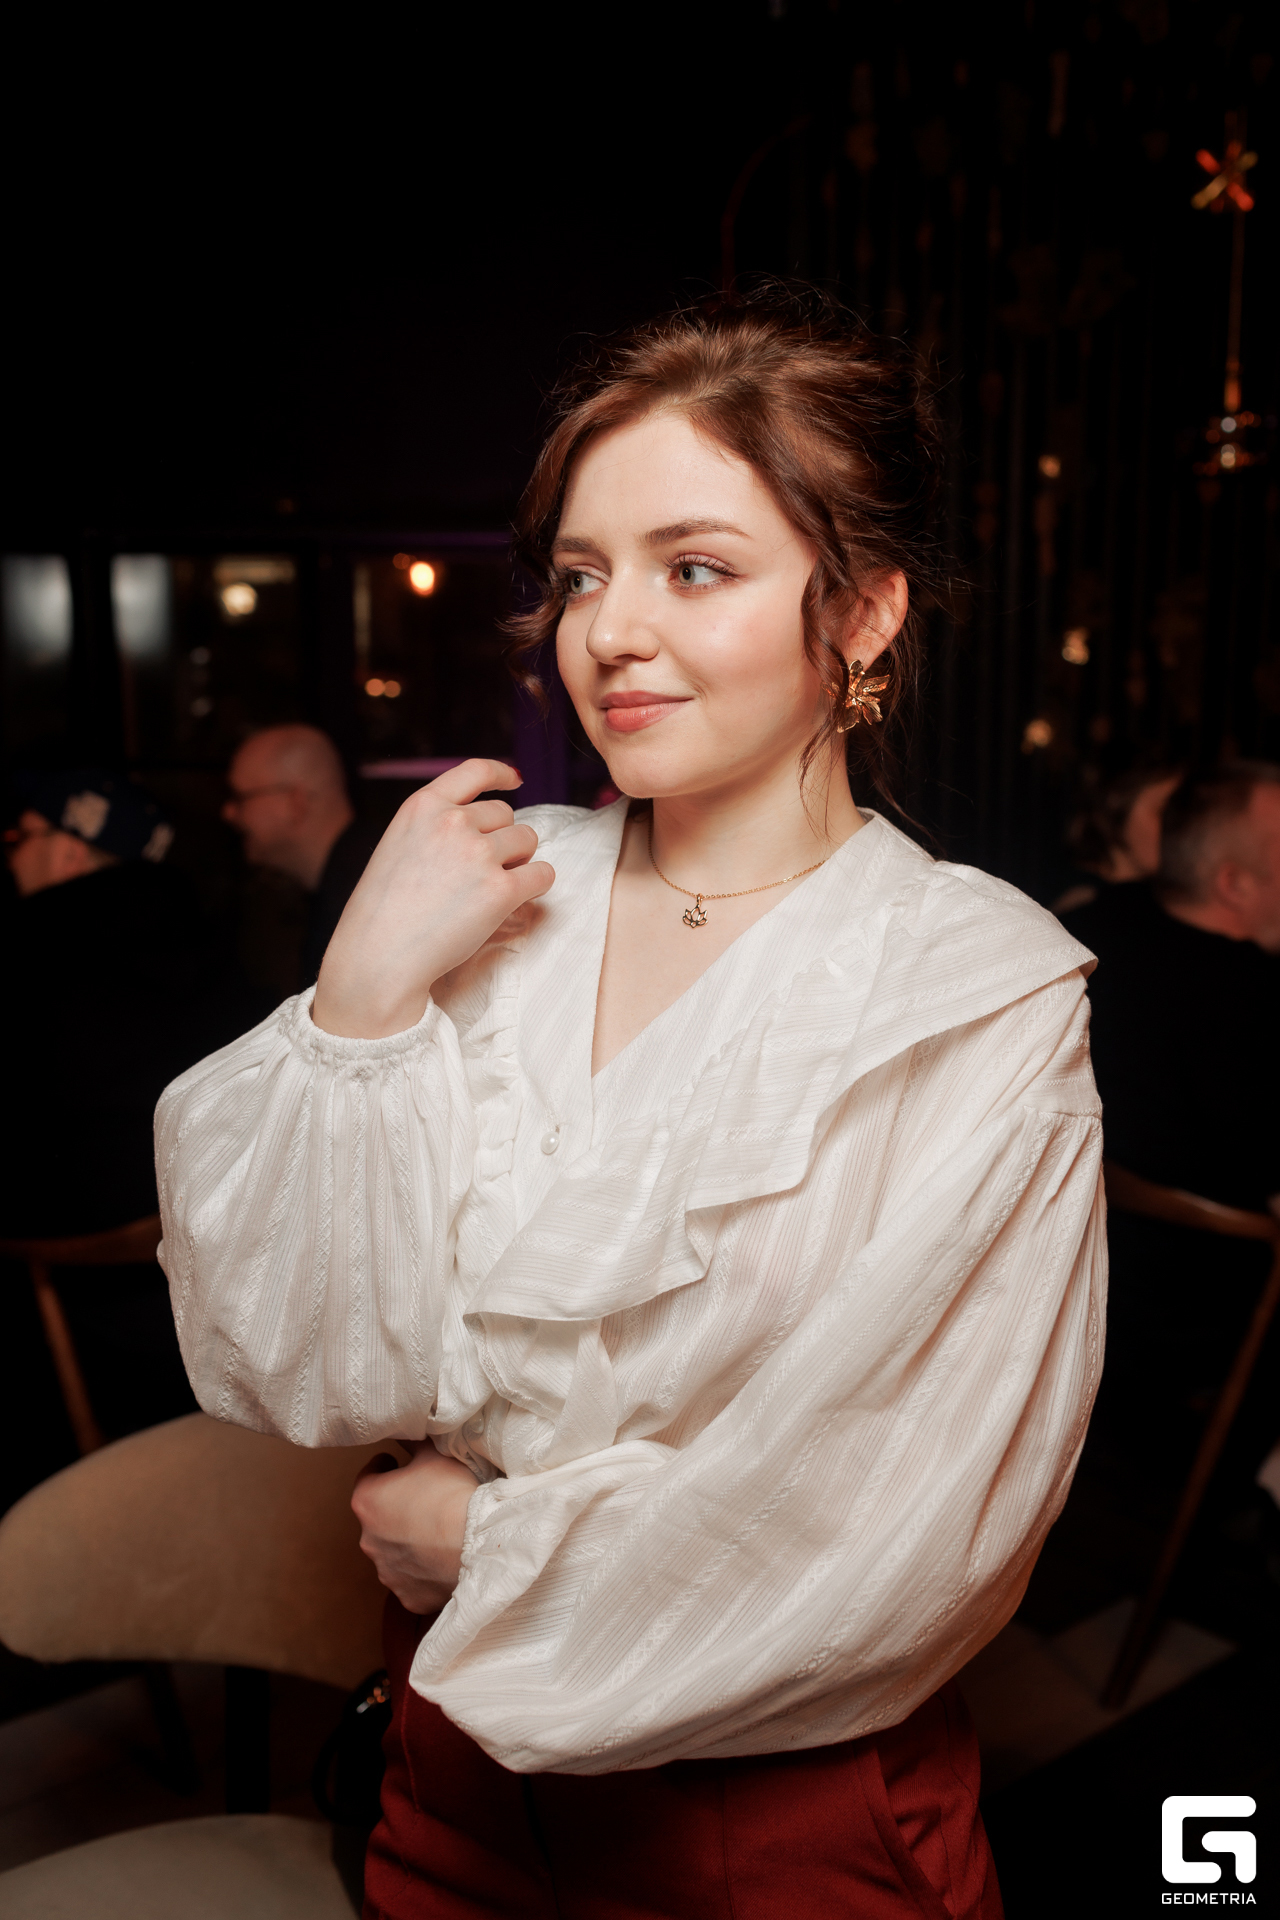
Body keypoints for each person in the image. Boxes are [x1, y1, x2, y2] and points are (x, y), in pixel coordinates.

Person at [157, 292, 1105, 1920]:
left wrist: (487, 1544)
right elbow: (298, 1355)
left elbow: (901, 1522)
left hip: (785, 1829)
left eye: (697, 568)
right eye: (584, 575)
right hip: (441, 1775)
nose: (607, 633)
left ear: (863, 611)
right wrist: (361, 992)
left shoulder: (971, 989)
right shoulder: (493, 895)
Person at [0, 770, 257, 1469]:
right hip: (242, 1317)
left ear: (68, 851)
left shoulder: (23, 950)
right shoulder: (211, 941)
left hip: (77, 1302)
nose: (10, 854)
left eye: (19, 836)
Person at [1061, 764, 1280, 1494]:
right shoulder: (1248, 998)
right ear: (1233, 883)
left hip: (1063, 1294)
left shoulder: (1089, 930)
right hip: (1193, 1331)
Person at [223, 723, 382, 983]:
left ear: (295, 802)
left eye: (241, 797)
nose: (229, 813)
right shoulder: (353, 878)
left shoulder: (363, 900)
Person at [1050, 764, 1181, 916]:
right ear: (1114, 804)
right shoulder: (1081, 905)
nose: (1178, 825)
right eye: (1163, 811)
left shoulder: (1162, 899)